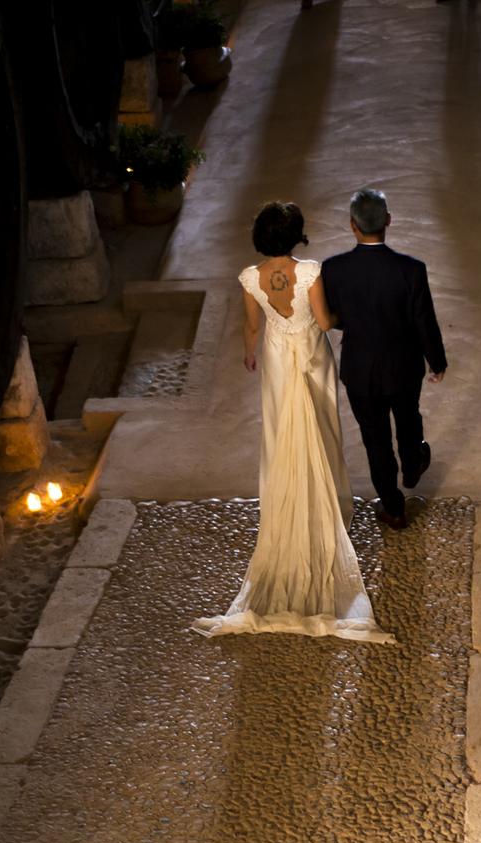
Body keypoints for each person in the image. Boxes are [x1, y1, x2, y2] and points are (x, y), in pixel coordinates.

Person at [191, 201, 394, 645]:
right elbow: (323, 321)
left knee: (282, 431)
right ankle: (326, 500)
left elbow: (251, 327)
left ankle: (287, 496)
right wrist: (346, 316)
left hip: (279, 360)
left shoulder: (249, 278)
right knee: (319, 427)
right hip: (311, 355)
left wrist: (250, 352)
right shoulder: (311, 273)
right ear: (297, 236)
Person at [322, 188, 447, 531]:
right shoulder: (411, 270)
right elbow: (425, 320)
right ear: (388, 221)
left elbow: (336, 317)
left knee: (375, 438)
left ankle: (393, 508)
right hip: (403, 366)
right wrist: (436, 362)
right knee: (408, 419)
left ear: (353, 226)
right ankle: (411, 465)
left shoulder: (333, 269)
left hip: (360, 370)